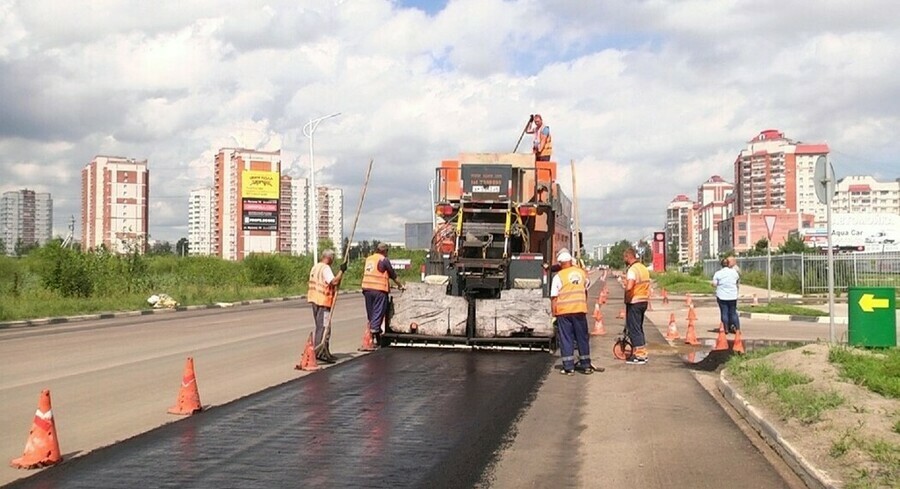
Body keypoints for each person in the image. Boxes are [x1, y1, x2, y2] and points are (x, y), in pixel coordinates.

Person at [551, 250, 594, 375]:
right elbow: (586, 286)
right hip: (579, 310)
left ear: (560, 263)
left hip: (564, 313)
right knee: (582, 338)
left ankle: (569, 367)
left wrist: (553, 315)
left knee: (566, 339)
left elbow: (554, 297)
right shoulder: (581, 273)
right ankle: (586, 365)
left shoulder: (558, 276)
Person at [362, 243, 405, 344]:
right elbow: (392, 275)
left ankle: (374, 335)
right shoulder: (383, 260)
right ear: (385, 251)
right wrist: (400, 285)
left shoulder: (369, 259)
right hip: (379, 290)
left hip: (367, 289)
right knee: (379, 311)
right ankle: (374, 335)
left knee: (371, 313)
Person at [308, 249, 346, 363]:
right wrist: (341, 271)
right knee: (324, 328)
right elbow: (333, 282)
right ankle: (320, 352)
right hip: (323, 302)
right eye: (333, 258)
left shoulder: (315, 267)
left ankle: (324, 351)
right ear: (329, 258)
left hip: (315, 300)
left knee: (320, 327)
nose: (333, 261)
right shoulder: (325, 268)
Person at [619, 247, 651, 364]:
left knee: (634, 329)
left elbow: (630, 286)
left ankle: (640, 356)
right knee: (639, 328)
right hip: (643, 301)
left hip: (634, 301)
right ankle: (641, 352)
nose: (624, 259)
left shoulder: (632, 270)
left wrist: (625, 286)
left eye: (624, 257)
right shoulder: (643, 268)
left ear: (628, 256)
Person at [712, 255, 741, 334]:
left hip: (722, 296)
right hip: (732, 295)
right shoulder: (734, 272)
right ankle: (737, 329)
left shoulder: (718, 273)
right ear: (728, 264)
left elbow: (714, 284)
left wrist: (717, 284)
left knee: (724, 312)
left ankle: (726, 329)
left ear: (721, 265)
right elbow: (737, 280)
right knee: (733, 312)